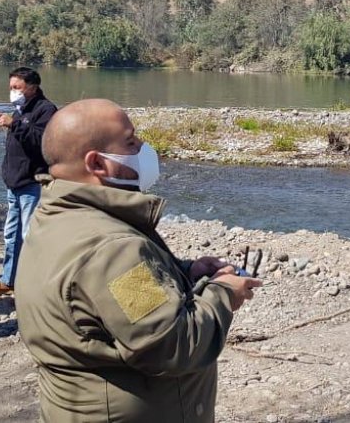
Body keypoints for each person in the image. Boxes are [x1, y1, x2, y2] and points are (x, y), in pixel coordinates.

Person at [15, 99, 260, 422]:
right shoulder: (112, 250)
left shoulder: (56, 217)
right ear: (97, 164)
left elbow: (101, 296)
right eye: (131, 141)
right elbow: (174, 344)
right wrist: (224, 293)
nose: (145, 148)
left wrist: (185, 272)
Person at [0, 67, 57, 297]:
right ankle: (9, 279)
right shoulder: (20, 109)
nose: (13, 92)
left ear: (32, 87)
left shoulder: (46, 109)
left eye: (17, 87)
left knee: (31, 236)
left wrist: (14, 124)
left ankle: (36, 285)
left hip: (33, 184)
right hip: (15, 183)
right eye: (11, 88)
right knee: (11, 235)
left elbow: (42, 141)